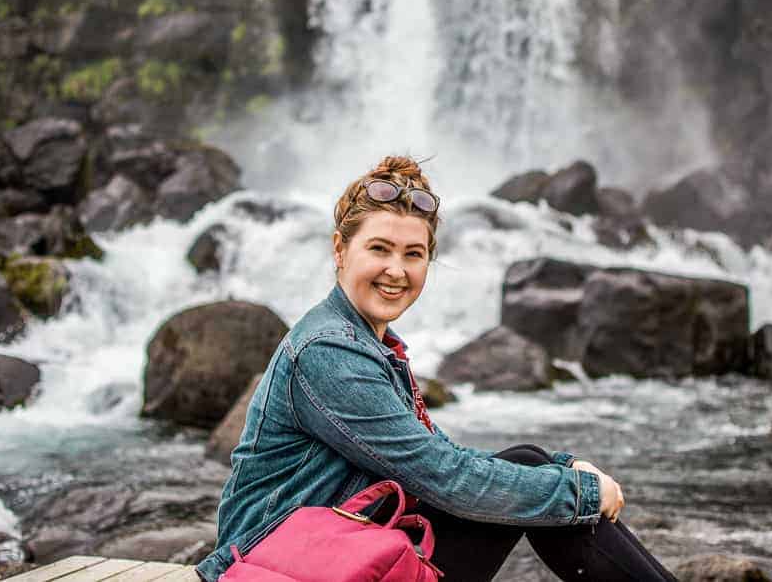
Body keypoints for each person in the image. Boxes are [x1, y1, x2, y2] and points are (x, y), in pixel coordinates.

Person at [195, 156, 676, 582]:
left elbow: (438, 455)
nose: (396, 271)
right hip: (274, 568)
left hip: (329, 552)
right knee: (543, 486)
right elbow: (444, 478)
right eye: (379, 249)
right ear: (340, 251)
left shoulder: (371, 344)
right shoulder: (329, 353)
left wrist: (564, 468)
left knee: (529, 461)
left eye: (413, 254)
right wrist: (583, 494)